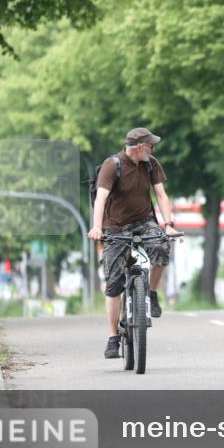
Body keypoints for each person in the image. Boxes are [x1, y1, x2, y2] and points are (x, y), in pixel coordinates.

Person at [88, 127, 181, 359]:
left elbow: (161, 195)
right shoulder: (112, 166)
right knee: (113, 283)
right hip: (115, 227)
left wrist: (167, 224)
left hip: (143, 221)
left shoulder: (150, 163)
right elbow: (101, 199)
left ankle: (150, 293)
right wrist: (97, 227)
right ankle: (112, 337)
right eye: (151, 145)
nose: (153, 149)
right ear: (140, 147)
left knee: (161, 246)